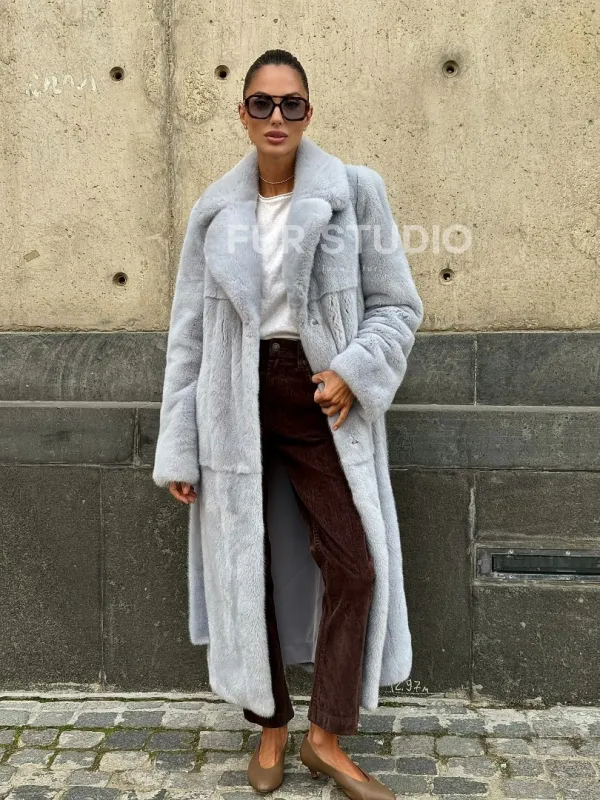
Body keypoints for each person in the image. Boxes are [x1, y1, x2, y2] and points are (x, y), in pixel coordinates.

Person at [153, 48, 424, 800]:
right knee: (251, 567)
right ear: (242, 114)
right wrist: (181, 445)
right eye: (263, 104)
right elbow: (188, 339)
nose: (277, 117)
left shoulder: (354, 192)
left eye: (291, 103)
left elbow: (397, 306)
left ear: (309, 112)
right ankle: (270, 723)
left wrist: (353, 371)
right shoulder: (213, 210)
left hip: (319, 396)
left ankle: (325, 735)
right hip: (232, 401)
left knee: (355, 563)